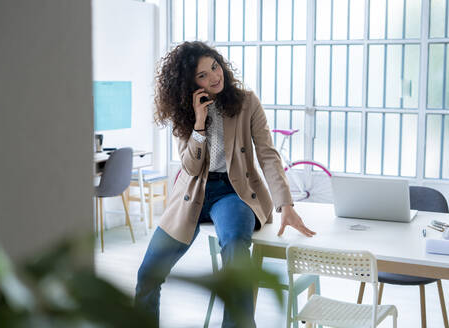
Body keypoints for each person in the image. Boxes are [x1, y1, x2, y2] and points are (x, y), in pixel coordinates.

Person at [135, 41, 315, 328]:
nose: (214, 77)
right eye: (203, 75)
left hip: (233, 192)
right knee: (147, 274)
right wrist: (199, 123)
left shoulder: (246, 102)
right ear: (190, 83)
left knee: (235, 253)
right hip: (192, 193)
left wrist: (286, 204)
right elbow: (190, 166)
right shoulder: (186, 110)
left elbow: (268, 154)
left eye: (215, 67)